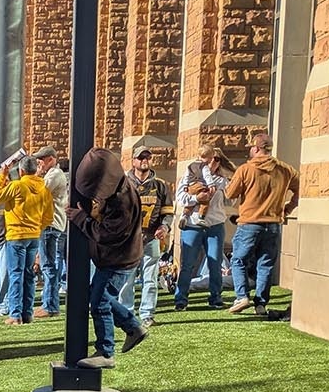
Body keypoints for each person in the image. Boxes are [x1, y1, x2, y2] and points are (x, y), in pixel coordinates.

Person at [68, 148, 151, 368]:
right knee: (99, 297)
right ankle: (133, 327)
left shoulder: (123, 202)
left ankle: (106, 352)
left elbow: (107, 234)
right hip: (115, 259)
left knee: (100, 301)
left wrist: (82, 220)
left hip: (119, 261)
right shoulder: (118, 189)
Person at [224, 133, 299, 316]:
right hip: (273, 224)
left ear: (256, 148)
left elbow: (229, 194)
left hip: (249, 222)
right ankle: (261, 304)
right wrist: (287, 209)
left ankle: (242, 296)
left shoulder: (246, 169)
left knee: (238, 260)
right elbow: (301, 188)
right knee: (265, 264)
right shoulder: (285, 169)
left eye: (251, 147)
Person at [0, 155, 55, 325]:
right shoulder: (44, 188)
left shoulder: (17, 185)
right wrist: (37, 227)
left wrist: (2, 175)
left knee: (15, 275)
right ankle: (27, 313)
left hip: (16, 235)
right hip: (34, 235)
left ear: (21, 171)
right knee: (29, 275)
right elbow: (49, 217)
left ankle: (15, 314)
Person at [174, 147, 235, 311]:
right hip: (192, 225)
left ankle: (215, 297)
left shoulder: (222, 181)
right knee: (188, 264)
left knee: (215, 262)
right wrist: (196, 198)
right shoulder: (191, 174)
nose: (211, 162)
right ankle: (181, 299)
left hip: (215, 225)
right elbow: (180, 198)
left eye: (216, 159)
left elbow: (232, 199)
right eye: (210, 159)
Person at [123, 148, 172, 325]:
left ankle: (147, 314)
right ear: (133, 160)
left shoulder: (160, 185)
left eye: (148, 157)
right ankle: (126, 314)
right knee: (126, 280)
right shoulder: (123, 183)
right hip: (128, 239)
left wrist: (165, 227)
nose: (144, 160)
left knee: (150, 279)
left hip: (151, 237)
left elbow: (167, 211)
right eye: (141, 157)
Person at [35, 147, 69, 318]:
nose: (39, 163)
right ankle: (49, 303)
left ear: (51, 159)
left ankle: (50, 305)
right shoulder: (53, 174)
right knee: (49, 265)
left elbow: (39, 192)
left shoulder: (54, 174)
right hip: (51, 225)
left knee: (50, 266)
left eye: (42, 159)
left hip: (52, 224)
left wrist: (36, 175)